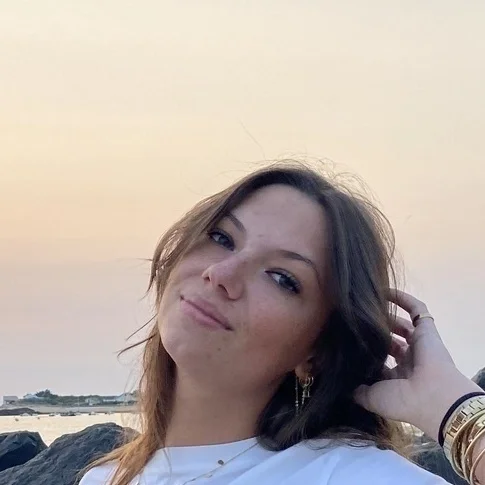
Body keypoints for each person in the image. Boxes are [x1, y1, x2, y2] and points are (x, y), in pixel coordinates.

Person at [79, 162, 485, 485]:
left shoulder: (348, 475)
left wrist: (454, 409)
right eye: (221, 238)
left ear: (317, 350)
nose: (222, 273)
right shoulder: (104, 479)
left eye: (282, 279)